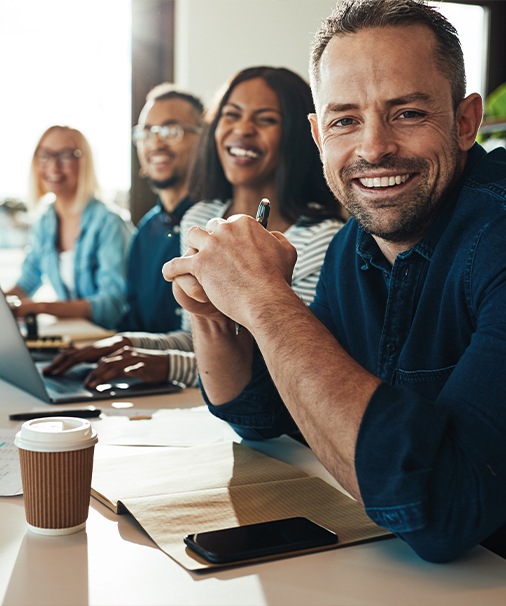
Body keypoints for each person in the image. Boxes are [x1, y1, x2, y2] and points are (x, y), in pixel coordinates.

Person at [162, 0, 506, 563]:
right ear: (319, 135)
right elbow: (261, 415)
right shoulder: (356, 243)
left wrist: (267, 300)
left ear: (465, 121)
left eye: (408, 113)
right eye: (346, 120)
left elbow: (444, 508)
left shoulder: (495, 236)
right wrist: (214, 310)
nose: (373, 148)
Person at [44, 66, 345, 389]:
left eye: (265, 119)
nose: (242, 129)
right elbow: (197, 338)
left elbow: (290, 361)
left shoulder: (322, 239)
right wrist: (126, 343)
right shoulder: (200, 217)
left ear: (299, 135)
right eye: (232, 115)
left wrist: (170, 366)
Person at [43, 85, 204, 382]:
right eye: (146, 133)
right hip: (147, 379)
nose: (155, 143)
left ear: (204, 138)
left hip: (190, 385)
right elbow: (135, 318)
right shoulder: (147, 230)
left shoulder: (212, 223)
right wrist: (104, 348)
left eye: (171, 131)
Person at [6, 125, 131, 329]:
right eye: (45, 155)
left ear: (84, 163)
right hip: (76, 339)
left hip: (112, 341)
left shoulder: (109, 222)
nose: (53, 166)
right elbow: (27, 281)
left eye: (65, 155)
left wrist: (39, 308)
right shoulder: (45, 221)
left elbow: (111, 307)